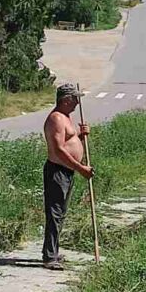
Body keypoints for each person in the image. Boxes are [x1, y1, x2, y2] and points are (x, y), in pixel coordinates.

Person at [42, 83, 93, 270]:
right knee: (55, 213)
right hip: (57, 171)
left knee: (61, 213)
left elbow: (68, 141)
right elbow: (58, 150)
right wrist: (80, 168)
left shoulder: (66, 117)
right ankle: (49, 257)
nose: (78, 103)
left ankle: (53, 251)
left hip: (67, 171)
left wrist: (81, 135)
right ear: (65, 100)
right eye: (75, 99)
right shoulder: (56, 118)